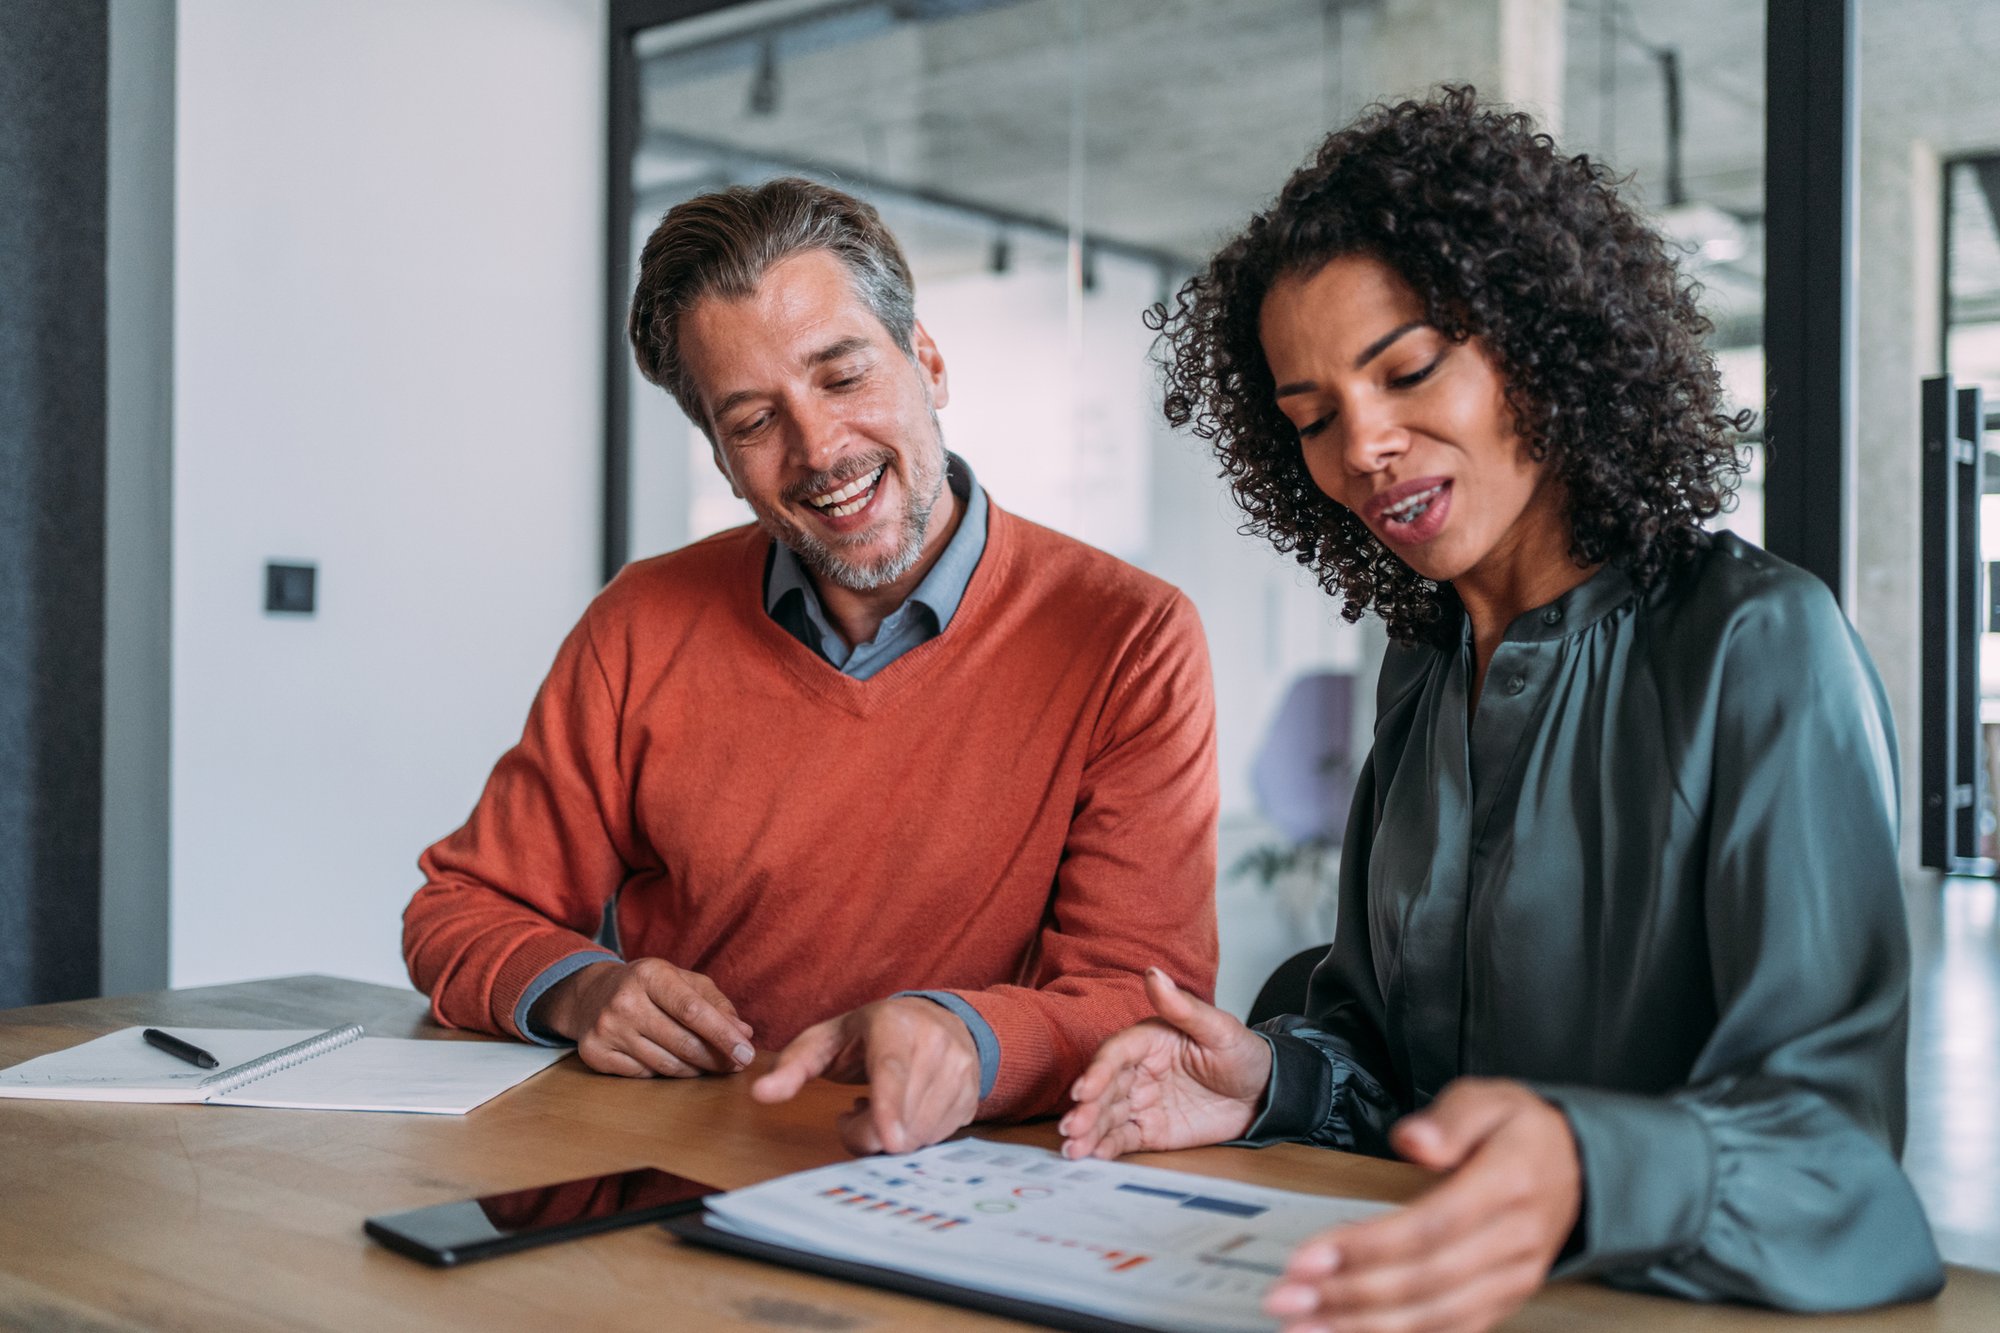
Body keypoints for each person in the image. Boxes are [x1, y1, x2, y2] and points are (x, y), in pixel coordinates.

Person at [1059, 88, 1946, 1329]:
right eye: (1310, 418)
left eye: (1408, 368)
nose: (1360, 445)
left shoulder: (1752, 642)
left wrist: (1584, 1166)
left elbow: (1837, 1169)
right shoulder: (1419, 666)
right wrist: (1263, 1080)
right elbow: (1392, 1068)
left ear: (1536, 340)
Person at [404, 178, 1218, 1155]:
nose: (820, 448)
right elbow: (459, 907)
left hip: (960, 1178)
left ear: (927, 360)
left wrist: (966, 1038)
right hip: (663, 1170)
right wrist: (581, 990)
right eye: (752, 420)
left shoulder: (1128, 636)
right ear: (718, 456)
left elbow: (1142, 993)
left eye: (842, 377)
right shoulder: (639, 623)